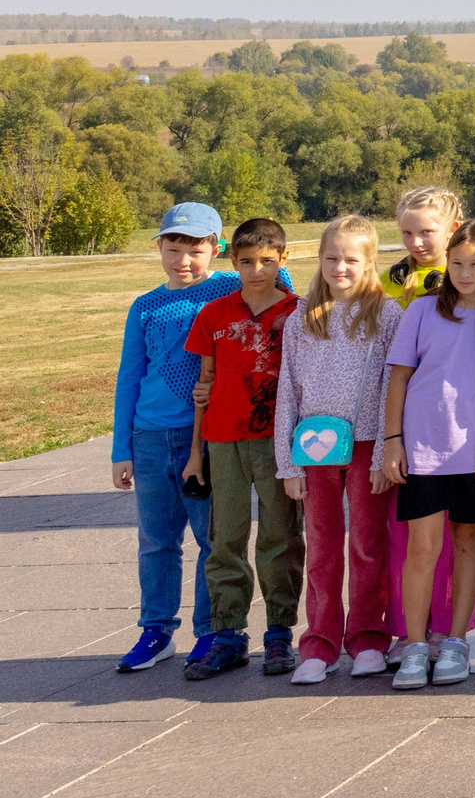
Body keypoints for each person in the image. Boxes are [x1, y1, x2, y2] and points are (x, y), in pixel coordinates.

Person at [112, 202, 244, 674]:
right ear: (161, 248)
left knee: (214, 537)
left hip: (204, 437)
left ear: (217, 248)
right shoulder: (144, 306)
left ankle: (212, 632)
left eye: (195, 248)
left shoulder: (230, 288)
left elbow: (281, 287)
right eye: (173, 248)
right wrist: (120, 449)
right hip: (148, 437)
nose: (183, 259)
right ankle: (156, 630)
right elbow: (129, 377)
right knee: (155, 539)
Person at [274, 213, 399, 683]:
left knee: (368, 543)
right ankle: (319, 644)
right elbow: (288, 388)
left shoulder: (388, 314)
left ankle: (368, 638)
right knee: (323, 545)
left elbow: (393, 383)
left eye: (351, 259)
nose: (339, 267)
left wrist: (388, 448)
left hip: (367, 444)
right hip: (314, 449)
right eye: (331, 258)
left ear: (369, 262)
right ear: (319, 259)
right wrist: (288, 463)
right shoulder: (302, 315)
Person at [382, 216, 475, 689]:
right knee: (423, 548)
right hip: (425, 450)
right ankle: (415, 644)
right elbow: (398, 378)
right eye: (456, 263)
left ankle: (455, 642)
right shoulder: (422, 311)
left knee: (470, 543)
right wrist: (393, 442)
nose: (465, 273)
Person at [180, 216, 303, 679]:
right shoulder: (214, 314)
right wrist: (196, 453)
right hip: (222, 440)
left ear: (283, 259)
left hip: (278, 440)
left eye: (267, 261)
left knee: (280, 536)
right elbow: (204, 385)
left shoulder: (298, 312)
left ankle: (279, 634)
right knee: (225, 539)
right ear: (232, 261)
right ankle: (227, 633)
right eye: (247, 261)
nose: (256, 270)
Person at [380, 184, 475, 648]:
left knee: (461, 541)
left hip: (466, 433)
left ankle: (450, 628)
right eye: (407, 233)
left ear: (453, 230)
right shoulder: (393, 280)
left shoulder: (468, 280)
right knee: (411, 542)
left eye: (427, 232)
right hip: (414, 429)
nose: (417, 242)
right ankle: (410, 631)